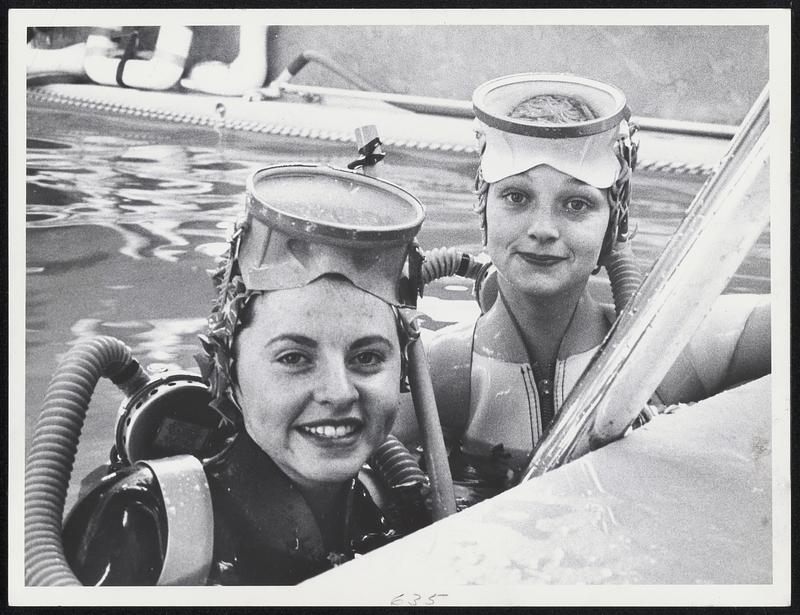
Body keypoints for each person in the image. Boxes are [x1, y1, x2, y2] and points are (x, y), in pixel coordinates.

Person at [394, 73, 770, 503]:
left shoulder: (669, 348)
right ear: (483, 208)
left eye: (577, 204)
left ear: (615, 224)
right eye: (517, 197)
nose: (542, 229)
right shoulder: (442, 372)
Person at [61, 164, 430, 585]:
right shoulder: (145, 522)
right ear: (228, 372)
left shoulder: (401, 507)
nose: (339, 392)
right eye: (294, 358)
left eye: (366, 358)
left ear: (403, 371)